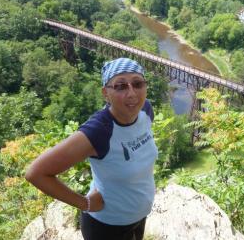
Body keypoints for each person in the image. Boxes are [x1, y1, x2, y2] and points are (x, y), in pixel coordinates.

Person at [25, 58, 158, 240]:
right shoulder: (98, 131)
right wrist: (85, 203)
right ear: (106, 93)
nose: (132, 93)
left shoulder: (145, 110)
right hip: (107, 227)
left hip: (139, 216)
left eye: (138, 83)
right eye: (120, 86)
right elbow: (36, 173)